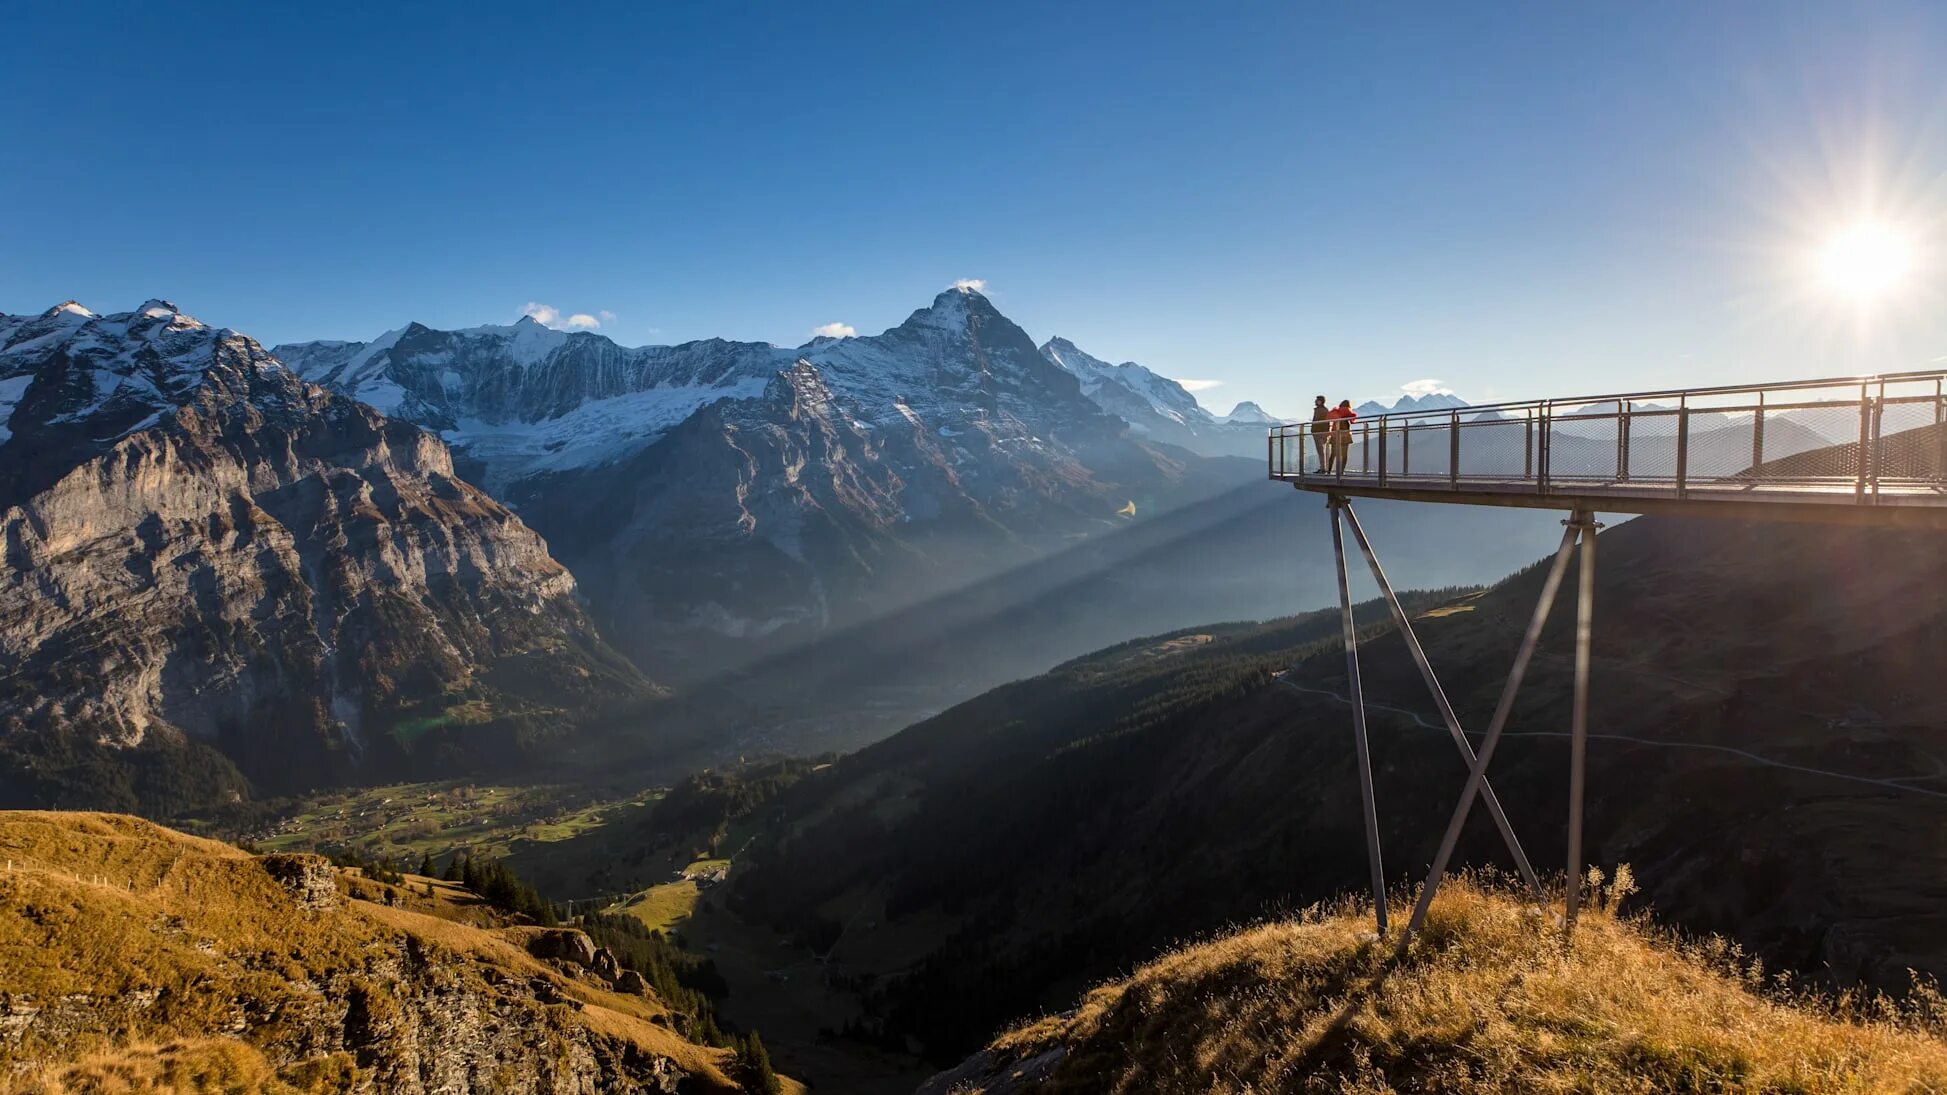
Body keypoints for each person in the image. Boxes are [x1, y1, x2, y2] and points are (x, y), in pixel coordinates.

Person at [1326, 399, 1358, 475]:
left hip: (1335, 435)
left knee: (1333, 454)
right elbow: (1352, 420)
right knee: (1344, 455)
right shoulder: (1348, 411)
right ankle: (1341, 471)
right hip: (1345, 435)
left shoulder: (1336, 411)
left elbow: (1328, 418)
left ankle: (1329, 471)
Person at [1308, 396, 1330, 472]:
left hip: (1319, 432)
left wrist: (1313, 430)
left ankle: (1323, 468)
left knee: (1320, 451)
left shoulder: (1320, 410)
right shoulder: (1324, 410)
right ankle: (1323, 467)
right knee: (1322, 451)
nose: (1315, 401)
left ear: (1320, 401)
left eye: (1317, 400)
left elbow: (1317, 421)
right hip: (1321, 432)